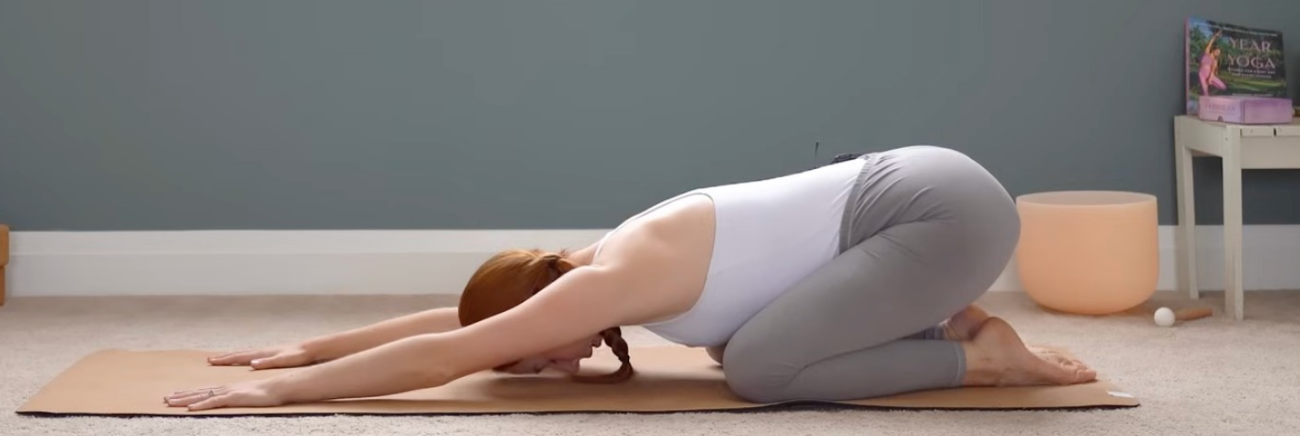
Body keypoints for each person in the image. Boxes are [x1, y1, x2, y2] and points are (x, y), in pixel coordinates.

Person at [166, 146, 1096, 411]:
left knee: (762, 369)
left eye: (535, 358)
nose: (549, 367)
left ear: (542, 310)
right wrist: (311, 343)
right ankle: (955, 326)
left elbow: (447, 353)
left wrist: (290, 393)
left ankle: (982, 361)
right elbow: (458, 321)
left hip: (936, 214)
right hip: (927, 192)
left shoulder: (599, 285)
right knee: (744, 337)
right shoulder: (595, 262)